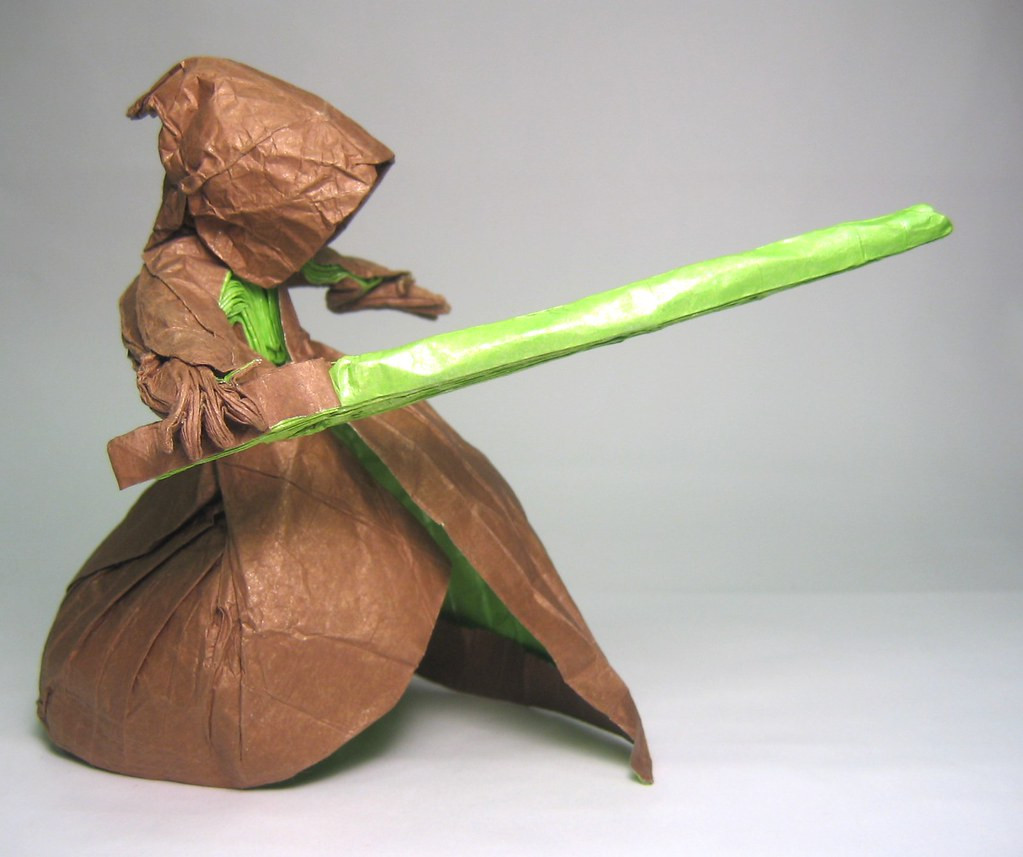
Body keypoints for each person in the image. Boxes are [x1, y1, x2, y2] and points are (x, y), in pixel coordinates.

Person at [37, 57, 650, 788]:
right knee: (283, 568)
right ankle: (237, 710)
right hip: (257, 437)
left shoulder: (245, 252)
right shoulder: (176, 275)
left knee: (446, 491)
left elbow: (311, 264)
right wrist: (199, 387)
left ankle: (441, 644)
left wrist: (377, 284)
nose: (300, 228)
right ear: (224, 192)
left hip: (314, 405)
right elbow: (167, 347)